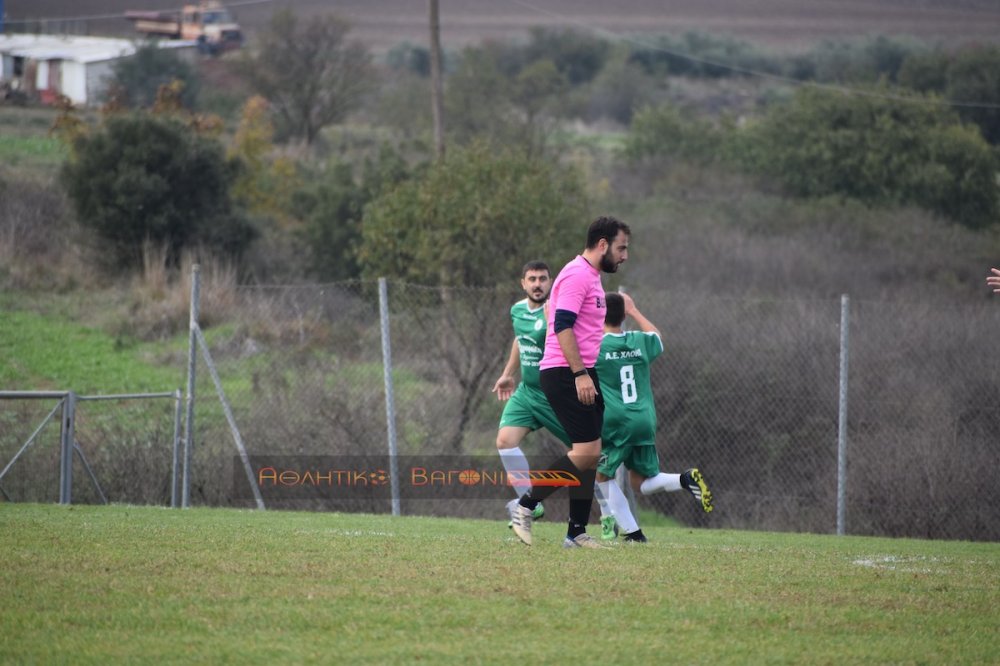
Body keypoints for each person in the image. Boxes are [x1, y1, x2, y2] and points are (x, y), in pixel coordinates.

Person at [509, 215, 631, 549]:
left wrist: (586, 372)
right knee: (587, 451)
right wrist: (579, 375)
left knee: (590, 453)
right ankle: (526, 505)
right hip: (565, 372)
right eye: (621, 248)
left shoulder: (591, 277)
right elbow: (562, 326)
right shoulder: (577, 275)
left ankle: (576, 533)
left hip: (582, 371)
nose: (624, 256)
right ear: (603, 244)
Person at [594, 291, 713, 544]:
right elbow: (657, 337)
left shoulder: (595, 346)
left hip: (616, 423)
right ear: (623, 314)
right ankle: (684, 479)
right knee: (641, 481)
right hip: (644, 420)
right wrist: (634, 311)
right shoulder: (639, 341)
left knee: (601, 475)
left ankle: (634, 534)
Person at [491, 261, 572, 524]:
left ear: (551, 282)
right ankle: (530, 503)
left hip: (555, 396)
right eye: (532, 279)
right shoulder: (517, 310)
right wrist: (508, 374)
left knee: (589, 454)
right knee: (504, 441)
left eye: (543, 279)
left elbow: (568, 346)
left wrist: (552, 323)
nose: (538, 284)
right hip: (528, 393)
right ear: (523, 283)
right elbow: (520, 340)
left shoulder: (558, 313)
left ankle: (610, 514)